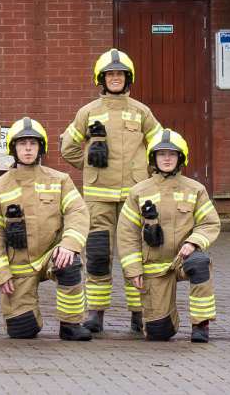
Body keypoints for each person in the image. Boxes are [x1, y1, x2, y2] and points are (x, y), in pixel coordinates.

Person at [59, 49, 162, 333]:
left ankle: (139, 313)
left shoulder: (142, 113)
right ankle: (96, 313)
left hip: (135, 196)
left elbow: (161, 148)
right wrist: (91, 166)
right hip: (99, 196)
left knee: (137, 254)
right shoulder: (88, 113)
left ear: (128, 78)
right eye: (110, 75)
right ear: (101, 79)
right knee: (98, 254)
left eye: (120, 74)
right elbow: (68, 147)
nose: (115, 79)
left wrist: (149, 176)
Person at [0, 118, 92, 341]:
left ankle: (70, 323)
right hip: (18, 265)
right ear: (13, 148)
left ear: (41, 147)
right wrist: (0, 274)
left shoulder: (60, 181)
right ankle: (28, 316)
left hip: (52, 255)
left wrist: (69, 245)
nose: (28, 148)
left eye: (33, 143)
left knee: (71, 262)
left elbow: (78, 212)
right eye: (22, 143)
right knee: (22, 332)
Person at [117, 129, 218, 342]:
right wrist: (134, 269)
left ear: (180, 158)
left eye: (172, 154)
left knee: (201, 263)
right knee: (158, 333)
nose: (166, 158)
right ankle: (167, 321)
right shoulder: (138, 192)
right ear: (153, 158)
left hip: (184, 259)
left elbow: (209, 223)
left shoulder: (195, 189)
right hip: (154, 266)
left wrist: (193, 242)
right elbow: (127, 234)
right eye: (161, 154)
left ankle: (200, 325)